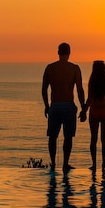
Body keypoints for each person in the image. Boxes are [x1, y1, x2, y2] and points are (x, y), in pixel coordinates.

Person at [42, 42, 85, 172]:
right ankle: (65, 163)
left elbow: (44, 89)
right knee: (68, 136)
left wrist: (46, 105)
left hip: (54, 105)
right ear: (69, 53)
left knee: (52, 136)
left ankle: (54, 163)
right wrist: (83, 108)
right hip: (68, 105)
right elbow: (79, 90)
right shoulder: (74, 68)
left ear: (58, 52)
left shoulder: (50, 68)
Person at [80, 61, 105, 173]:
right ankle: (104, 164)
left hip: (94, 110)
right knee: (104, 139)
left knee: (93, 139)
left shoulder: (92, 84)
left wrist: (84, 111)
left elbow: (89, 99)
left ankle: (94, 164)